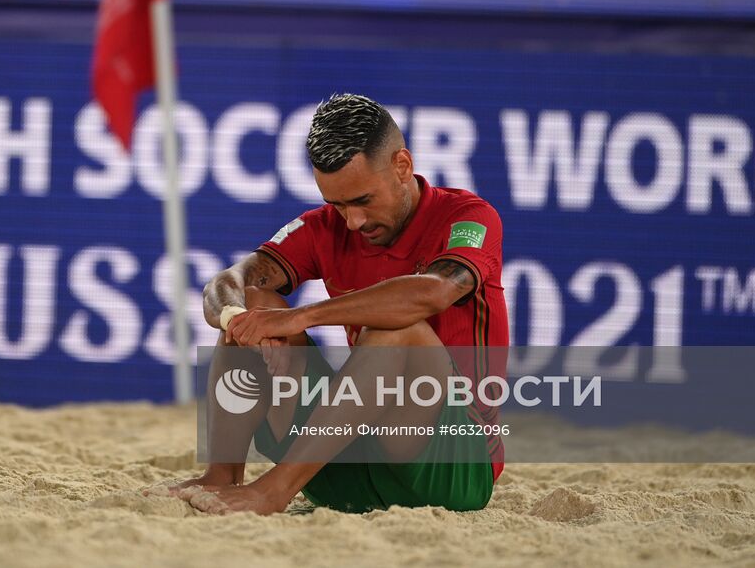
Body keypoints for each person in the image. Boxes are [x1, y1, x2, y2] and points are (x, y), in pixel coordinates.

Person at [166, 92, 508, 515]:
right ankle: (222, 475)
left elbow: (433, 293)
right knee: (255, 302)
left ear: (402, 166)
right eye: (337, 204)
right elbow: (227, 283)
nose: (353, 221)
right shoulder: (325, 227)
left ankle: (274, 490)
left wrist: (298, 318)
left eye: (363, 200)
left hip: (452, 469)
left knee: (395, 325)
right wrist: (244, 322)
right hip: (345, 465)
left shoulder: (469, 217)